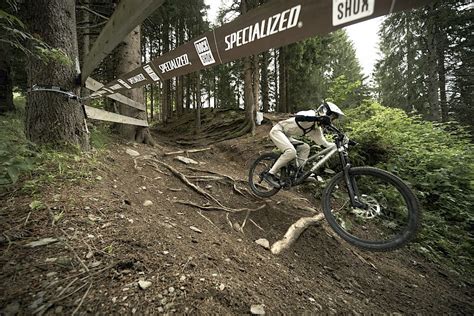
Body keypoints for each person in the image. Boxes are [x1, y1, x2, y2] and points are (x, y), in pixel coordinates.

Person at [263, 102, 345, 188]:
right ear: (324, 112)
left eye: (333, 119)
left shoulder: (316, 130)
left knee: (305, 147)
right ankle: (269, 174)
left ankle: (298, 172)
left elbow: (324, 145)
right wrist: (318, 118)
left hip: (287, 136)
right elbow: (299, 117)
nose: (331, 121)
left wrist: (339, 145)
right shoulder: (311, 113)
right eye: (331, 118)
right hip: (277, 131)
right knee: (291, 152)